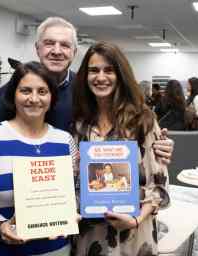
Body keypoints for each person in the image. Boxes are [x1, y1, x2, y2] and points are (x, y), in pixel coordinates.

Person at [0, 17, 174, 182]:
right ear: (38, 48)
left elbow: (115, 126)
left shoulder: (87, 89)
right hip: (20, 187)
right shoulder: (12, 91)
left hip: (72, 193)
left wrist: (154, 142)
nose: (57, 51)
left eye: (65, 45)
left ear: (74, 52)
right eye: (49, 43)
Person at [0, 61, 78, 256]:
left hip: (57, 249)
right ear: (13, 95)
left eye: (42, 91)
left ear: (52, 97)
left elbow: (77, 191)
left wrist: (73, 212)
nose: (34, 99)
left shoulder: (65, 141)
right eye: (25, 91)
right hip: (1, 249)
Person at [72, 41, 169, 255]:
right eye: (94, 70)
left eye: (109, 70)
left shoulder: (143, 120)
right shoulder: (79, 125)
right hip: (90, 236)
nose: (100, 77)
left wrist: (136, 219)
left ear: (121, 75)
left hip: (133, 235)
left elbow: (159, 184)